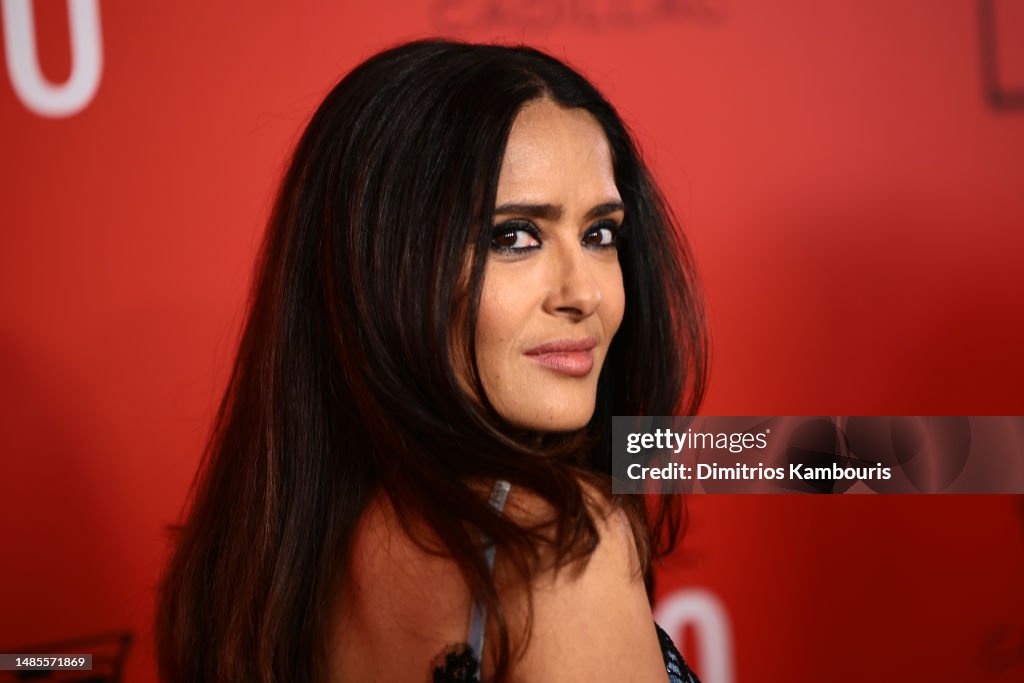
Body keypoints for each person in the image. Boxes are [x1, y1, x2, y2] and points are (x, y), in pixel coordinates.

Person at [155, 39, 707, 682]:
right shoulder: (555, 543)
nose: (584, 293)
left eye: (599, 234)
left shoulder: (245, 567)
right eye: (514, 237)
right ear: (385, 269)